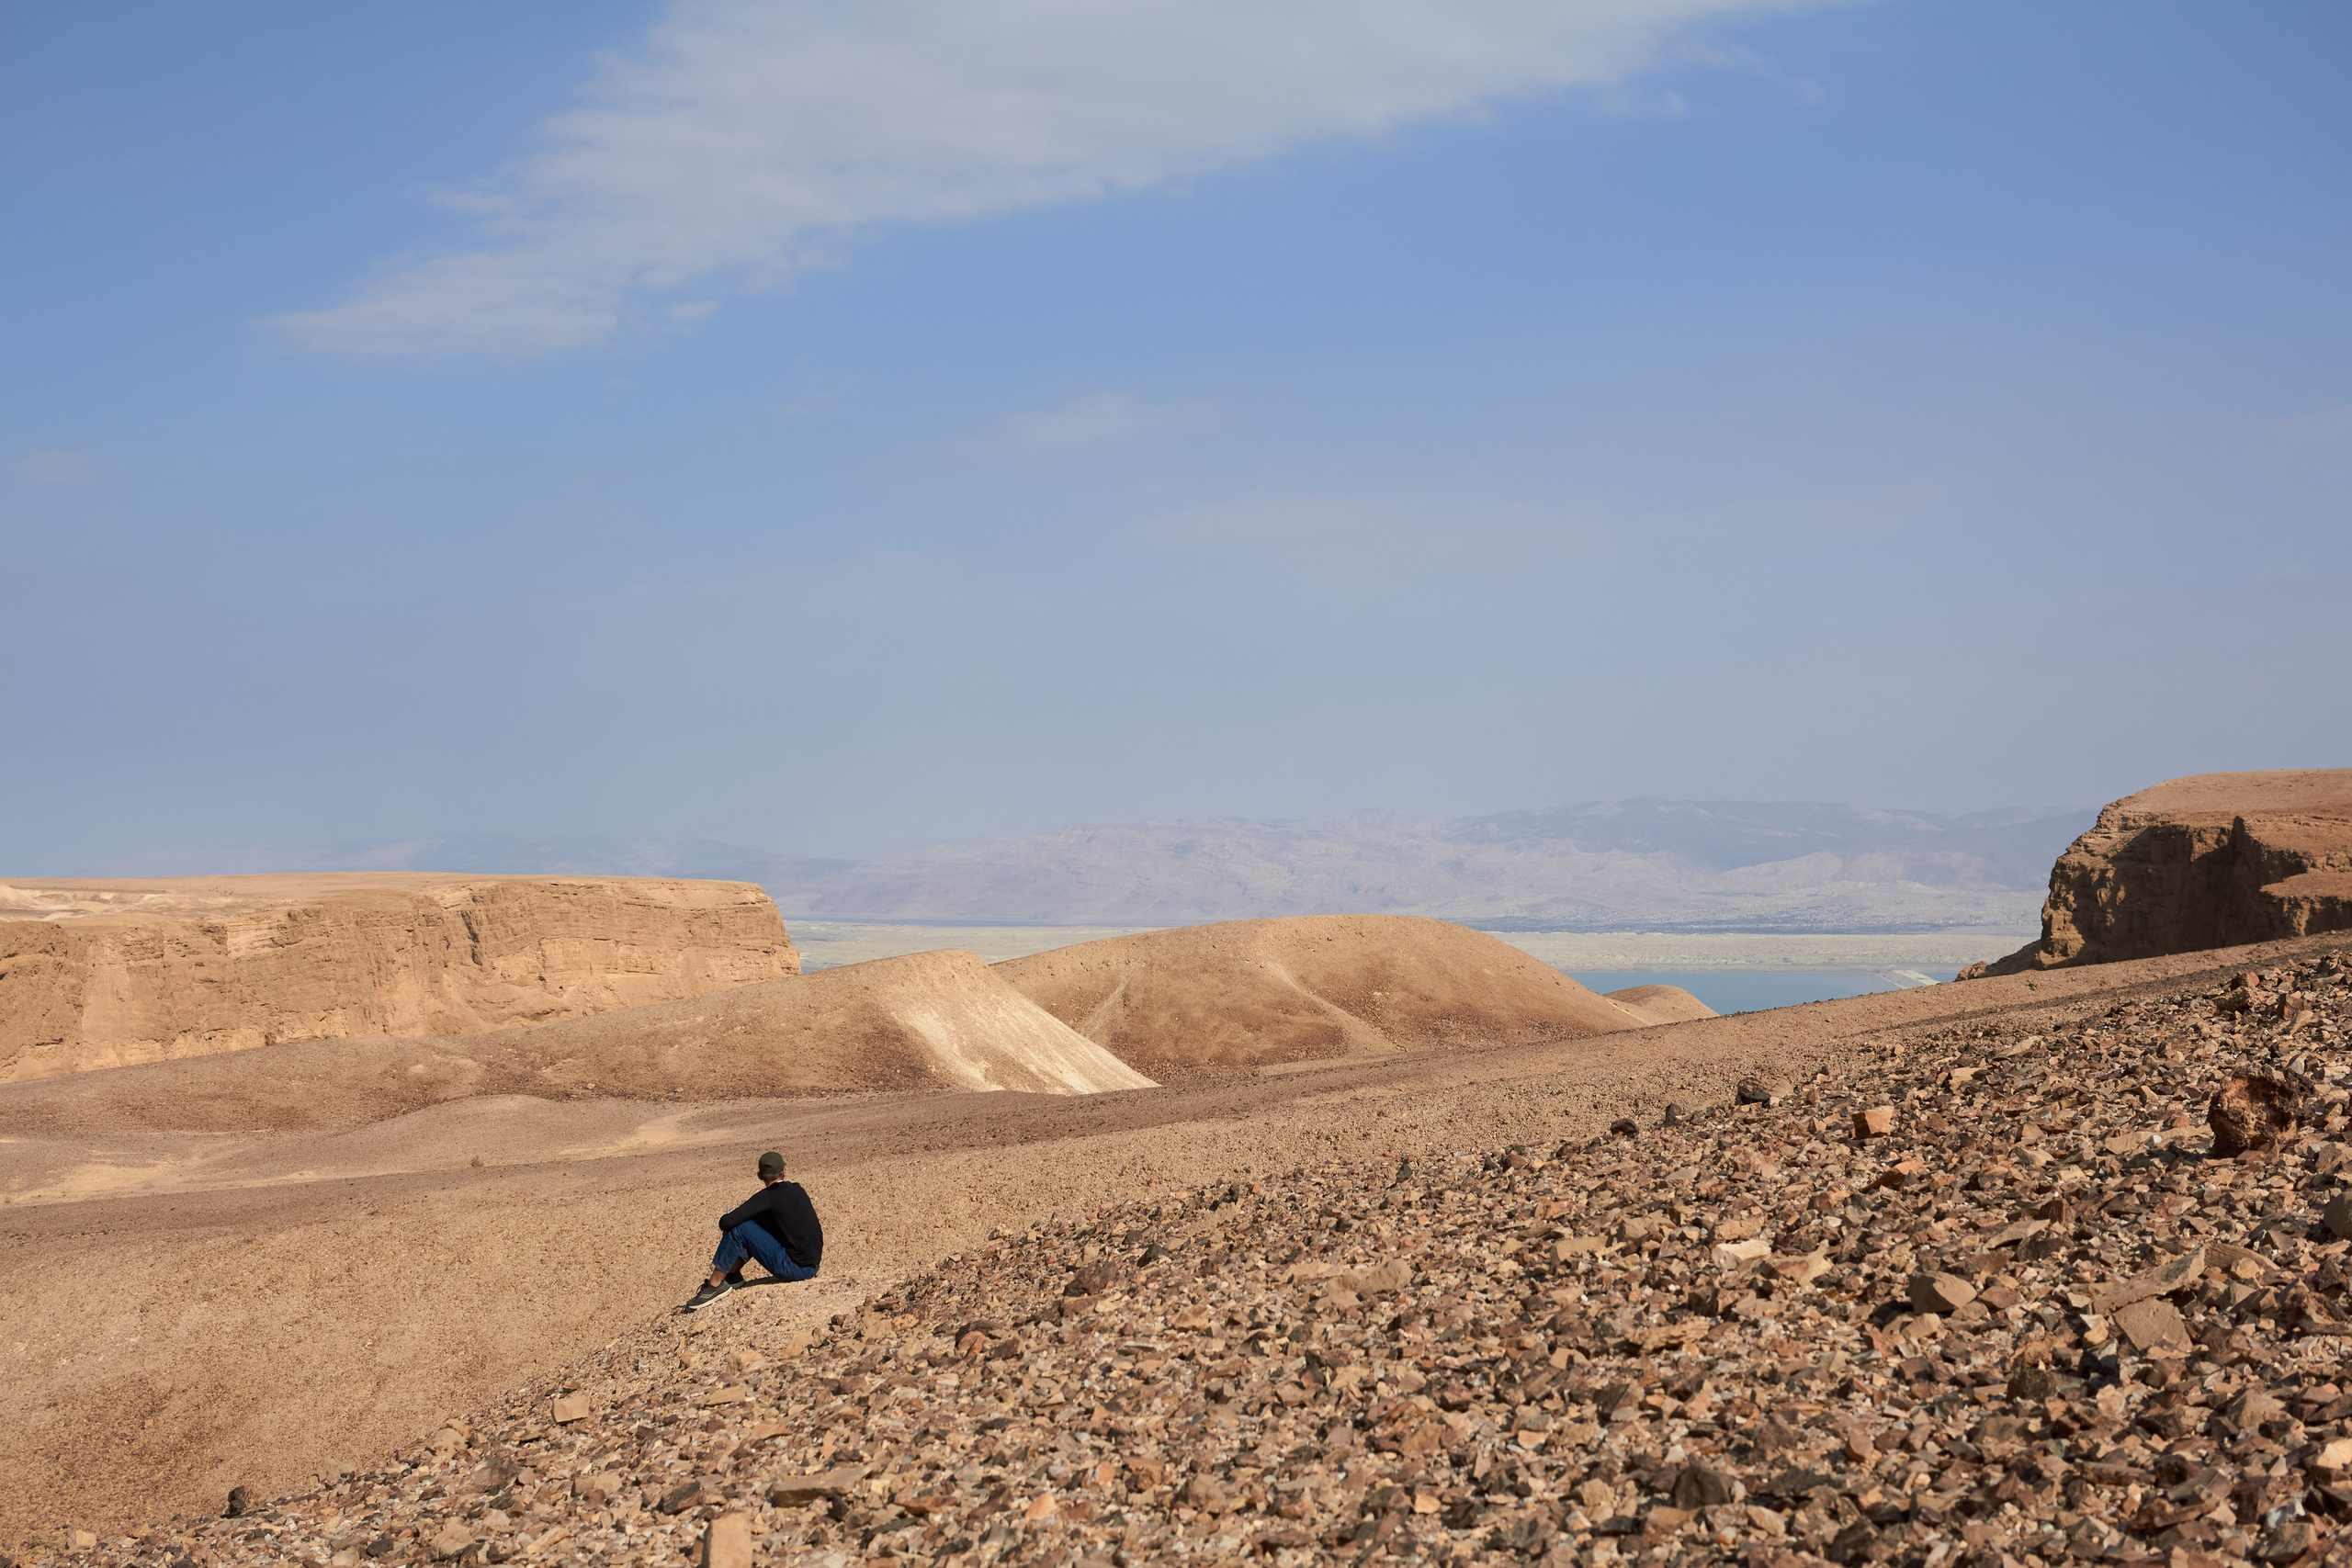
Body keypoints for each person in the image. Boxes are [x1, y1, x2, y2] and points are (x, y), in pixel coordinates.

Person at [677, 1150, 823, 1313]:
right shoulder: (797, 1190)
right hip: (811, 1265)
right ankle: (733, 1276)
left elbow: (726, 1222)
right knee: (755, 1225)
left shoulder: (768, 1197)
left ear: (760, 1176)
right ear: (783, 1171)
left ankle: (714, 1286)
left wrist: (732, 1218)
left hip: (795, 1269)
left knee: (740, 1228)